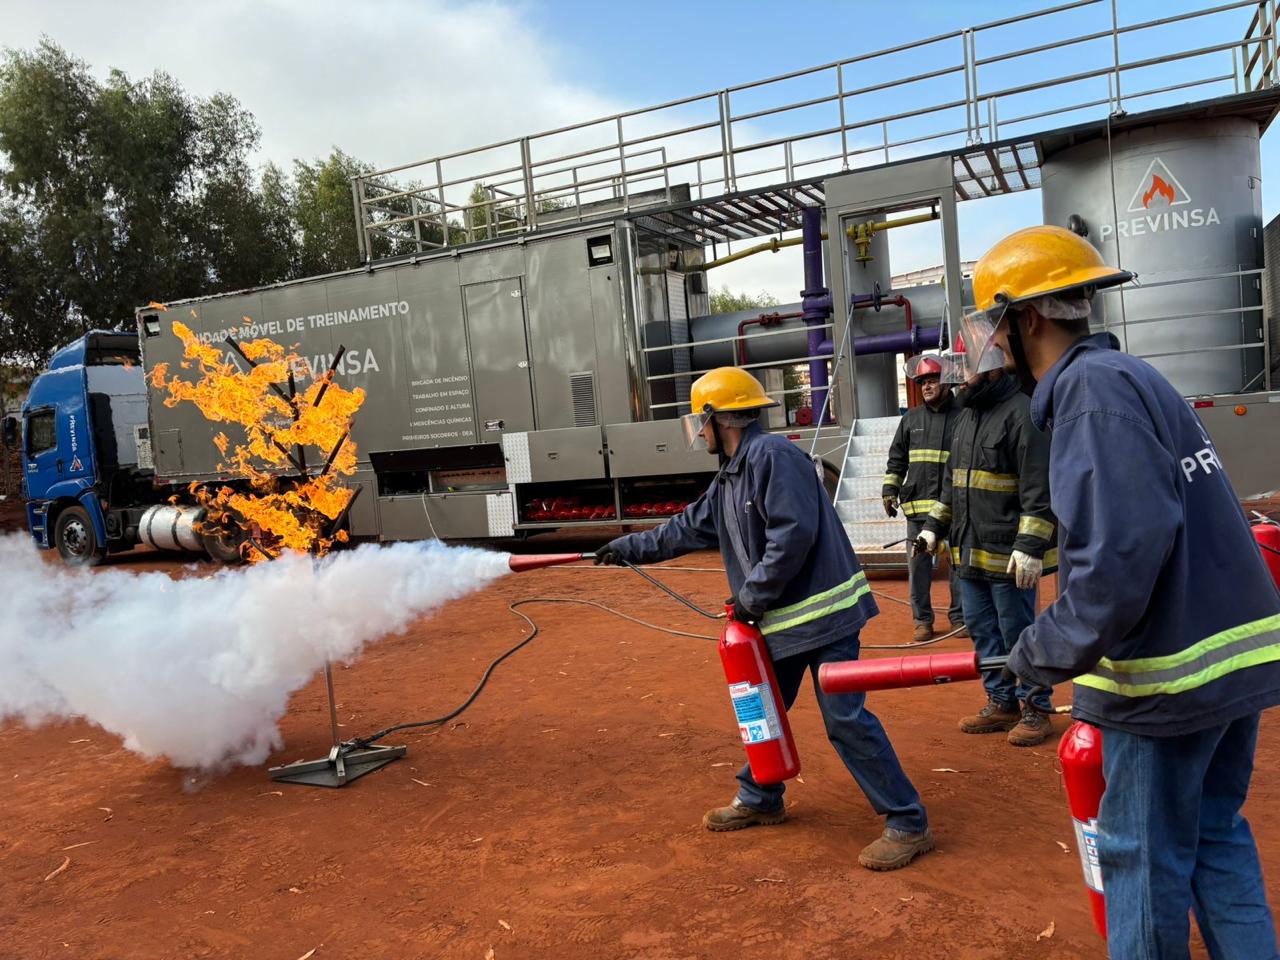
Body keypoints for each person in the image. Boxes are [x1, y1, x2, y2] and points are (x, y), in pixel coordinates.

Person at [970, 224, 1280, 957]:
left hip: (1168, 680)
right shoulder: (1130, 376)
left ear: (1028, 317)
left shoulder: (1088, 395)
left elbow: (1119, 559)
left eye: (994, 325)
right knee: (1213, 834)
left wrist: (1040, 652)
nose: (992, 344)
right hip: (1227, 659)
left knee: (1139, 857)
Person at [596, 366, 933, 871]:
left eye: (700, 422)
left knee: (844, 719)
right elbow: (685, 528)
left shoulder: (773, 457)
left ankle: (908, 821)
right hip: (785, 622)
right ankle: (761, 796)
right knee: (763, 706)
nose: (698, 433)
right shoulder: (732, 475)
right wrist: (627, 548)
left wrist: (751, 598)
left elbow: (791, 535)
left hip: (828, 617)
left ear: (719, 418)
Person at [917, 347, 1057, 748]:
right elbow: (952, 484)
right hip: (969, 553)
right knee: (982, 631)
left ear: (993, 371)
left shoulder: (1023, 414)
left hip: (1009, 557)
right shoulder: (966, 417)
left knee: (1018, 633)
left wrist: (1030, 545)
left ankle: (1035, 707)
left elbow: (1040, 487)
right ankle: (1001, 702)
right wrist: (932, 528)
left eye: (968, 371)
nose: (960, 379)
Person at [882, 354, 965, 642]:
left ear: (947, 383)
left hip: (954, 508)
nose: (926, 386)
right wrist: (889, 490)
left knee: (958, 566)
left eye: (932, 380)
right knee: (918, 569)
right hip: (918, 511)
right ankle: (922, 621)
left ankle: (959, 618)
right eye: (922, 382)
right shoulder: (911, 419)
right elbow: (897, 459)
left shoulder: (963, 416)